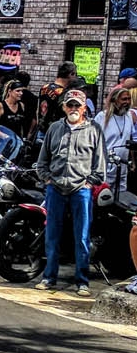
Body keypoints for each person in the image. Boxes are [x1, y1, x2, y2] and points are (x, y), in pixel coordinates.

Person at [34, 88, 107, 293]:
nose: (73, 108)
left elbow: (100, 164)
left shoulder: (94, 130)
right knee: (52, 235)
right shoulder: (55, 128)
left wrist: (89, 183)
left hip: (81, 190)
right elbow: (42, 160)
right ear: (64, 107)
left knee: (82, 237)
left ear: (84, 108)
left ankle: (82, 281)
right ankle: (49, 278)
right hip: (55, 188)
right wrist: (47, 178)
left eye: (77, 105)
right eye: (70, 105)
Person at [100, 84, 137, 198]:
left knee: (121, 195)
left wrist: (133, 161)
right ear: (115, 100)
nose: (127, 102)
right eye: (123, 99)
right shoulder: (102, 117)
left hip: (123, 166)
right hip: (106, 166)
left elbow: (129, 140)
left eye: (128, 99)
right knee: (105, 196)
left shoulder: (129, 117)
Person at [36, 62, 78, 139]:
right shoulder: (63, 93)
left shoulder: (44, 87)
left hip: (41, 130)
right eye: (75, 74)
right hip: (55, 133)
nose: (75, 77)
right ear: (70, 74)